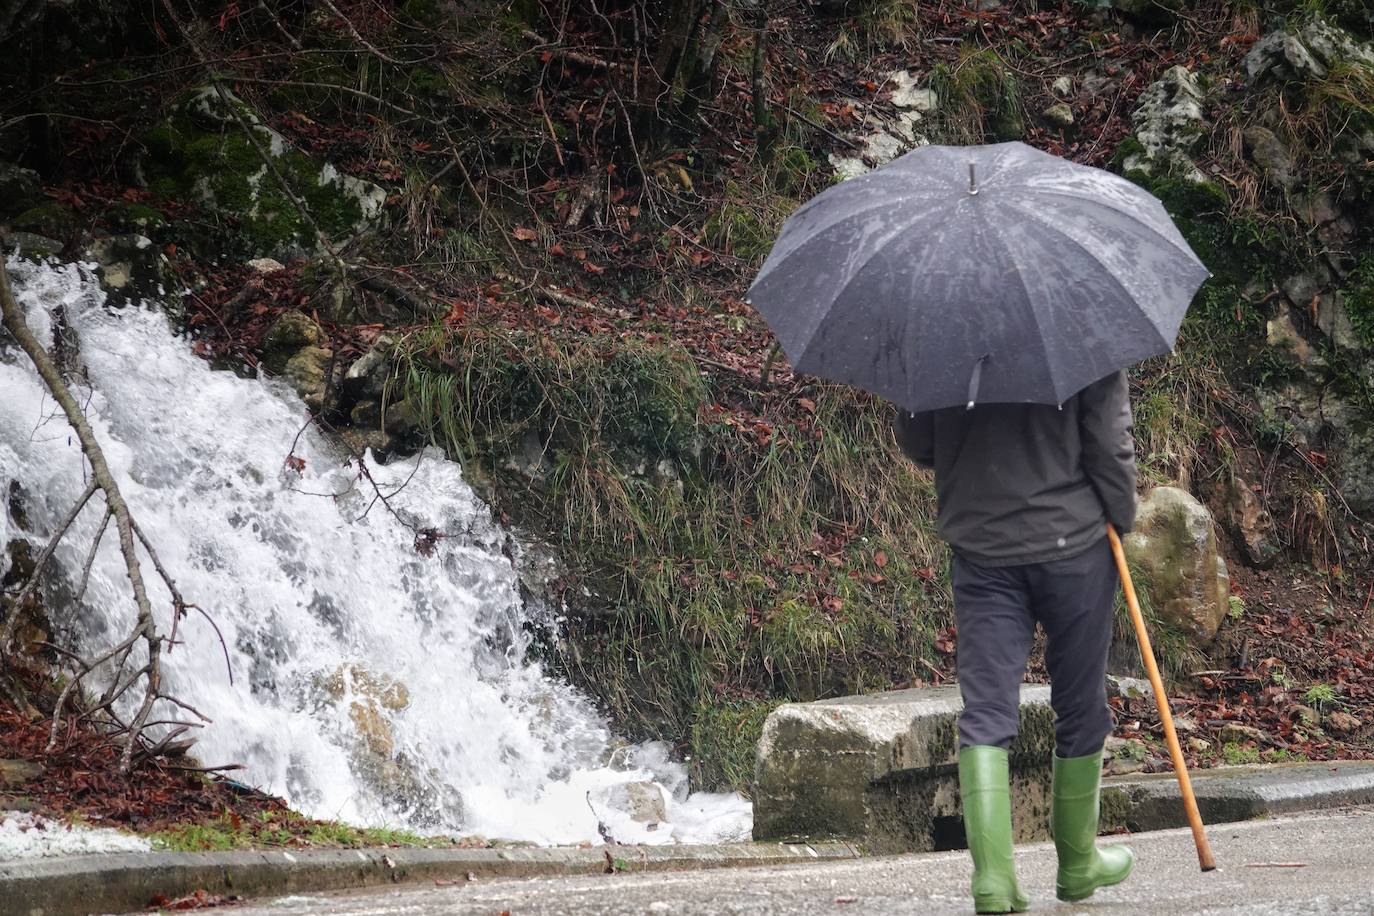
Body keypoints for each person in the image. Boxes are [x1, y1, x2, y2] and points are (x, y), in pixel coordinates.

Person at [894, 369, 1138, 915]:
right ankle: (1078, 863)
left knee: (985, 712)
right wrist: (1122, 516)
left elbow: (919, 442)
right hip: (1074, 547)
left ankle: (993, 879)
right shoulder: (1083, 340)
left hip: (982, 551)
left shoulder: (941, 344)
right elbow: (1108, 444)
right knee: (1080, 705)